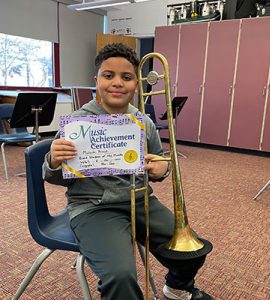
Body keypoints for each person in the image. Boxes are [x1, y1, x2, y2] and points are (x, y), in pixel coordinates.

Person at [43, 43, 213, 300]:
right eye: (108, 75)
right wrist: (54, 160)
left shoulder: (143, 122)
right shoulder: (77, 123)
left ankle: (176, 287)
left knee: (193, 250)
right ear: (96, 80)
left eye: (127, 77)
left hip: (141, 200)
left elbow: (159, 163)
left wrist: (161, 169)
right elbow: (54, 176)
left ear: (137, 83)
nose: (117, 83)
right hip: (93, 207)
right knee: (120, 277)